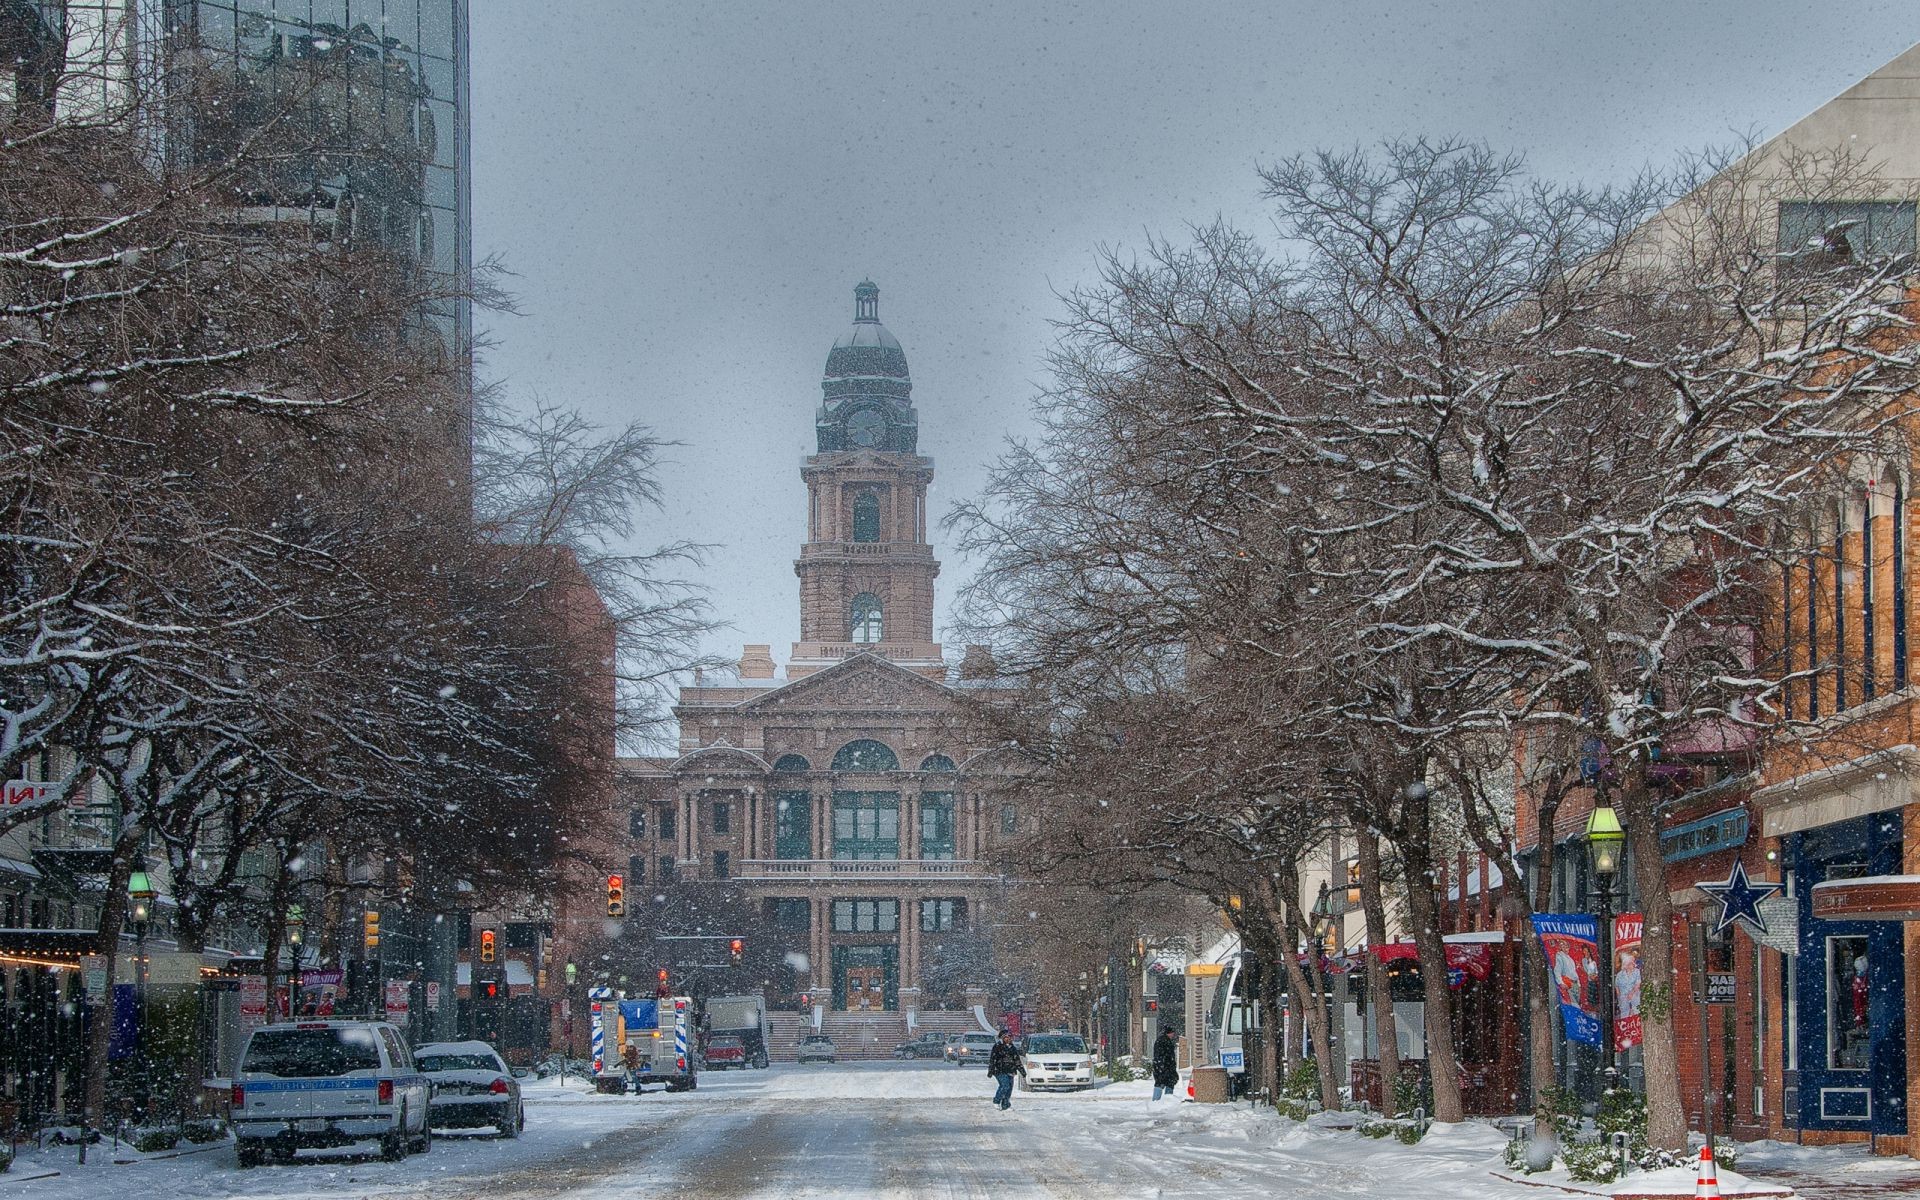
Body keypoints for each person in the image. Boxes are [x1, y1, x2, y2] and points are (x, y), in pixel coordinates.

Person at [986, 1028, 1025, 1111]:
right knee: (1005, 1085)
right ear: (1002, 1038)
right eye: (1006, 1037)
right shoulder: (997, 1047)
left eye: (1009, 1037)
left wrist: (1022, 1071)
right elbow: (992, 1059)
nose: (1008, 1039)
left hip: (1010, 1070)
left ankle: (1005, 1104)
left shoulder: (1013, 1048)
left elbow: (1017, 1060)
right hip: (999, 1070)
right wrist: (991, 1070)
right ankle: (996, 1101)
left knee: (1009, 1088)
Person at [1151, 1027, 1181, 1101]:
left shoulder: (1161, 1040)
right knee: (1166, 1082)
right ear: (1169, 1033)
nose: (1173, 1034)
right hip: (1165, 1067)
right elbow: (1161, 1056)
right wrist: (1162, 1066)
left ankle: (1158, 1100)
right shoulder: (1164, 1041)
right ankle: (1165, 1100)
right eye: (1172, 1033)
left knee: (1162, 1083)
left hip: (1163, 1067)